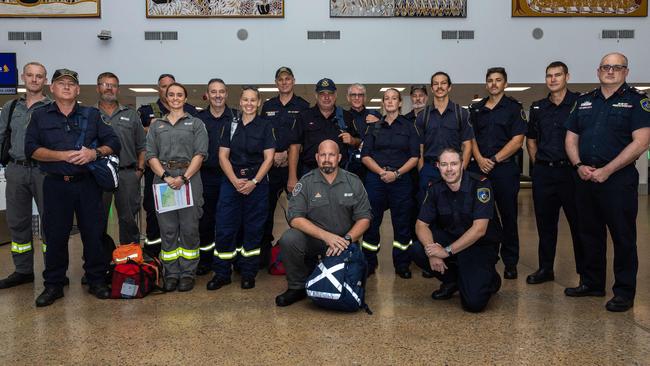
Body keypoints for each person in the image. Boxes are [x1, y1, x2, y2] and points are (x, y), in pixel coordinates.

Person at [25, 68, 121, 307]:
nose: (66, 86)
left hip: (87, 185)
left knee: (93, 233)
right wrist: (61, 155)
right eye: (61, 83)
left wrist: (93, 153)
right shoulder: (40, 116)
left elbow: (114, 142)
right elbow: (31, 149)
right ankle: (54, 284)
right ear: (52, 88)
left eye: (71, 83)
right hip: (56, 185)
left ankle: (97, 280)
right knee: (56, 236)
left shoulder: (92, 114)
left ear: (78, 90)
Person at [564, 52, 650, 312]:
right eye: (605, 67)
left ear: (625, 72)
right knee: (589, 234)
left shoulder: (637, 102)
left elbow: (641, 142)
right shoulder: (584, 101)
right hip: (585, 178)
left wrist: (607, 170)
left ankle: (623, 292)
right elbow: (570, 138)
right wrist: (578, 165)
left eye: (616, 67)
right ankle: (591, 282)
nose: (610, 71)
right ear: (598, 70)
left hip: (618, 182)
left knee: (623, 237)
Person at [275, 140, 372, 307]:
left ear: (339, 157)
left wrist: (347, 239)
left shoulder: (353, 182)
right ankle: (297, 286)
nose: (327, 159)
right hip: (315, 240)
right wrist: (326, 237)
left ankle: (341, 278)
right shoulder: (305, 182)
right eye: (323, 155)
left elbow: (364, 218)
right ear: (317, 157)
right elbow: (295, 218)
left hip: (344, 242)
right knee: (289, 239)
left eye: (331, 155)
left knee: (345, 283)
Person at [413, 148, 502, 313]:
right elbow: (421, 224)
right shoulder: (435, 188)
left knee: (473, 304)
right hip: (452, 238)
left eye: (453, 164)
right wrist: (432, 251)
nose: (449, 169)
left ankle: (490, 279)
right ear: (438, 166)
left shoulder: (481, 185)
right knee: (419, 249)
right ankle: (452, 281)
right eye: (444, 164)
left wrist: (446, 252)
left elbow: (479, 230)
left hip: (478, 246)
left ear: (462, 164)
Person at [208, 86, 275, 291]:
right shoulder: (230, 125)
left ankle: (248, 273)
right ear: (240, 102)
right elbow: (222, 156)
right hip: (231, 182)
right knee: (225, 228)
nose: (249, 104)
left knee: (253, 230)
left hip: (257, 184)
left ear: (259, 102)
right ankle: (222, 273)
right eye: (245, 100)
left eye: (253, 100)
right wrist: (235, 181)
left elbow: (269, 158)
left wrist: (253, 182)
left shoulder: (265, 126)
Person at [145, 82, 208, 292]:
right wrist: (165, 176)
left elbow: (200, 154)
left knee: (189, 229)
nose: (175, 98)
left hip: (189, 179)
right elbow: (150, 155)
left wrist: (184, 178)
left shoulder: (196, 123)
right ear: (166, 98)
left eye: (179, 95)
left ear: (185, 98)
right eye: (171, 94)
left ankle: (188, 272)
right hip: (163, 181)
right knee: (169, 229)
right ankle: (171, 273)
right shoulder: (156, 126)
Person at [525, 62, 583, 285]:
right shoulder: (539, 107)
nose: (553, 79)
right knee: (545, 225)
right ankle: (545, 269)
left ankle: (584, 273)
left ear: (567, 76)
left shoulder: (579, 103)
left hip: (571, 174)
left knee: (578, 224)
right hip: (544, 174)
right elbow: (531, 139)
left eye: (558, 75)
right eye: (549, 76)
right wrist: (537, 162)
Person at [469, 67, 527, 280]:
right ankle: (488, 256)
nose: (494, 84)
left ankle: (510, 262)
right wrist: (480, 159)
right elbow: (471, 138)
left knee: (508, 215)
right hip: (480, 169)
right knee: (483, 216)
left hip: (504, 170)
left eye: (498, 80)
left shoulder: (514, 108)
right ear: (486, 84)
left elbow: (517, 140)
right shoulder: (477, 109)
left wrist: (493, 159)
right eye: (490, 80)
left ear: (505, 83)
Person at [0, 62, 51, 289]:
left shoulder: (52, 107)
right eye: (30, 75)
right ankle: (23, 270)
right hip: (16, 170)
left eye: (39, 76)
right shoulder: (10, 108)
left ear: (45, 80)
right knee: (18, 222)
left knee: (51, 222)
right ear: (22, 77)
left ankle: (54, 269)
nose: (34, 79)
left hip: (45, 171)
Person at [360, 88, 419, 278]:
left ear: (400, 103)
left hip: (401, 181)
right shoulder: (373, 127)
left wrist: (397, 174)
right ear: (383, 103)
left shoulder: (410, 127)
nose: (390, 101)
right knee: (371, 222)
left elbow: (415, 157)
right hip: (376, 180)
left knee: (402, 223)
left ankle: (402, 263)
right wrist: (381, 172)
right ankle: (369, 261)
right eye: (387, 98)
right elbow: (365, 156)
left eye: (394, 98)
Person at [137, 73, 199, 256]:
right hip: (158, 173)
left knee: (187, 216)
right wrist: (152, 128)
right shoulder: (147, 110)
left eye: (174, 89)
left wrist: (183, 177)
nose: (171, 94)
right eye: (165, 88)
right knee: (156, 213)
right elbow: (139, 137)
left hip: (186, 174)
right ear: (160, 89)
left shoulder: (192, 114)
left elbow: (199, 149)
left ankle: (185, 257)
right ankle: (155, 252)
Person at [260, 67, 309, 267]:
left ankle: (303, 254)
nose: (284, 82)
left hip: (294, 168)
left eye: (288, 79)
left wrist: (288, 155)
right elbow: (262, 135)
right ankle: (264, 255)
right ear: (276, 82)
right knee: (265, 211)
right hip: (270, 167)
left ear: (294, 81)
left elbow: (306, 137)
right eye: (281, 79)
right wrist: (274, 156)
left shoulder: (303, 106)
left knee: (300, 212)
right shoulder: (268, 106)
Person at [96, 72, 146, 245]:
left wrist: (139, 170)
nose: (109, 88)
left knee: (128, 219)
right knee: (96, 219)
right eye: (105, 84)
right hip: (98, 175)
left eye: (113, 85)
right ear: (98, 87)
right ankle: (99, 262)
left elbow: (142, 145)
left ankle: (129, 261)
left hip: (127, 174)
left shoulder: (131, 115)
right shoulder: (88, 113)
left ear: (118, 89)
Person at [287, 78, 360, 193]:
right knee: (310, 210)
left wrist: (352, 140)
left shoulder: (347, 117)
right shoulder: (304, 116)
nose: (326, 97)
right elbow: (294, 147)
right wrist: (292, 177)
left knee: (340, 210)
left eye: (330, 93)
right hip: (310, 173)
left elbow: (358, 141)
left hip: (339, 175)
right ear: (316, 95)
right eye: (322, 94)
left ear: (335, 95)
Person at [195, 78, 237, 275]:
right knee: (206, 220)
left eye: (221, 91)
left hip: (231, 177)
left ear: (226, 94)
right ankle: (206, 260)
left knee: (230, 219)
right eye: (214, 92)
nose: (218, 95)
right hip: (205, 176)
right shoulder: (198, 119)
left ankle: (230, 259)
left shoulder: (237, 117)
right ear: (208, 94)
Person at [416, 71, 473, 193]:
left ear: (449, 87)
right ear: (431, 89)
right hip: (430, 170)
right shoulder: (422, 116)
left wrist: (461, 170)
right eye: (435, 84)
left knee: (455, 209)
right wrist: (422, 170)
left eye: (443, 83)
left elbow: (467, 145)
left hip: (453, 169)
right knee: (428, 209)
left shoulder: (461, 113)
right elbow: (419, 148)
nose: (439, 87)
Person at [346, 83, 381, 179]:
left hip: (373, 164)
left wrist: (379, 123)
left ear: (364, 98)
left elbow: (388, 135)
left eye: (360, 95)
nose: (357, 98)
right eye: (353, 95)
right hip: (350, 165)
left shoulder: (375, 115)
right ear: (348, 98)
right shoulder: (343, 117)